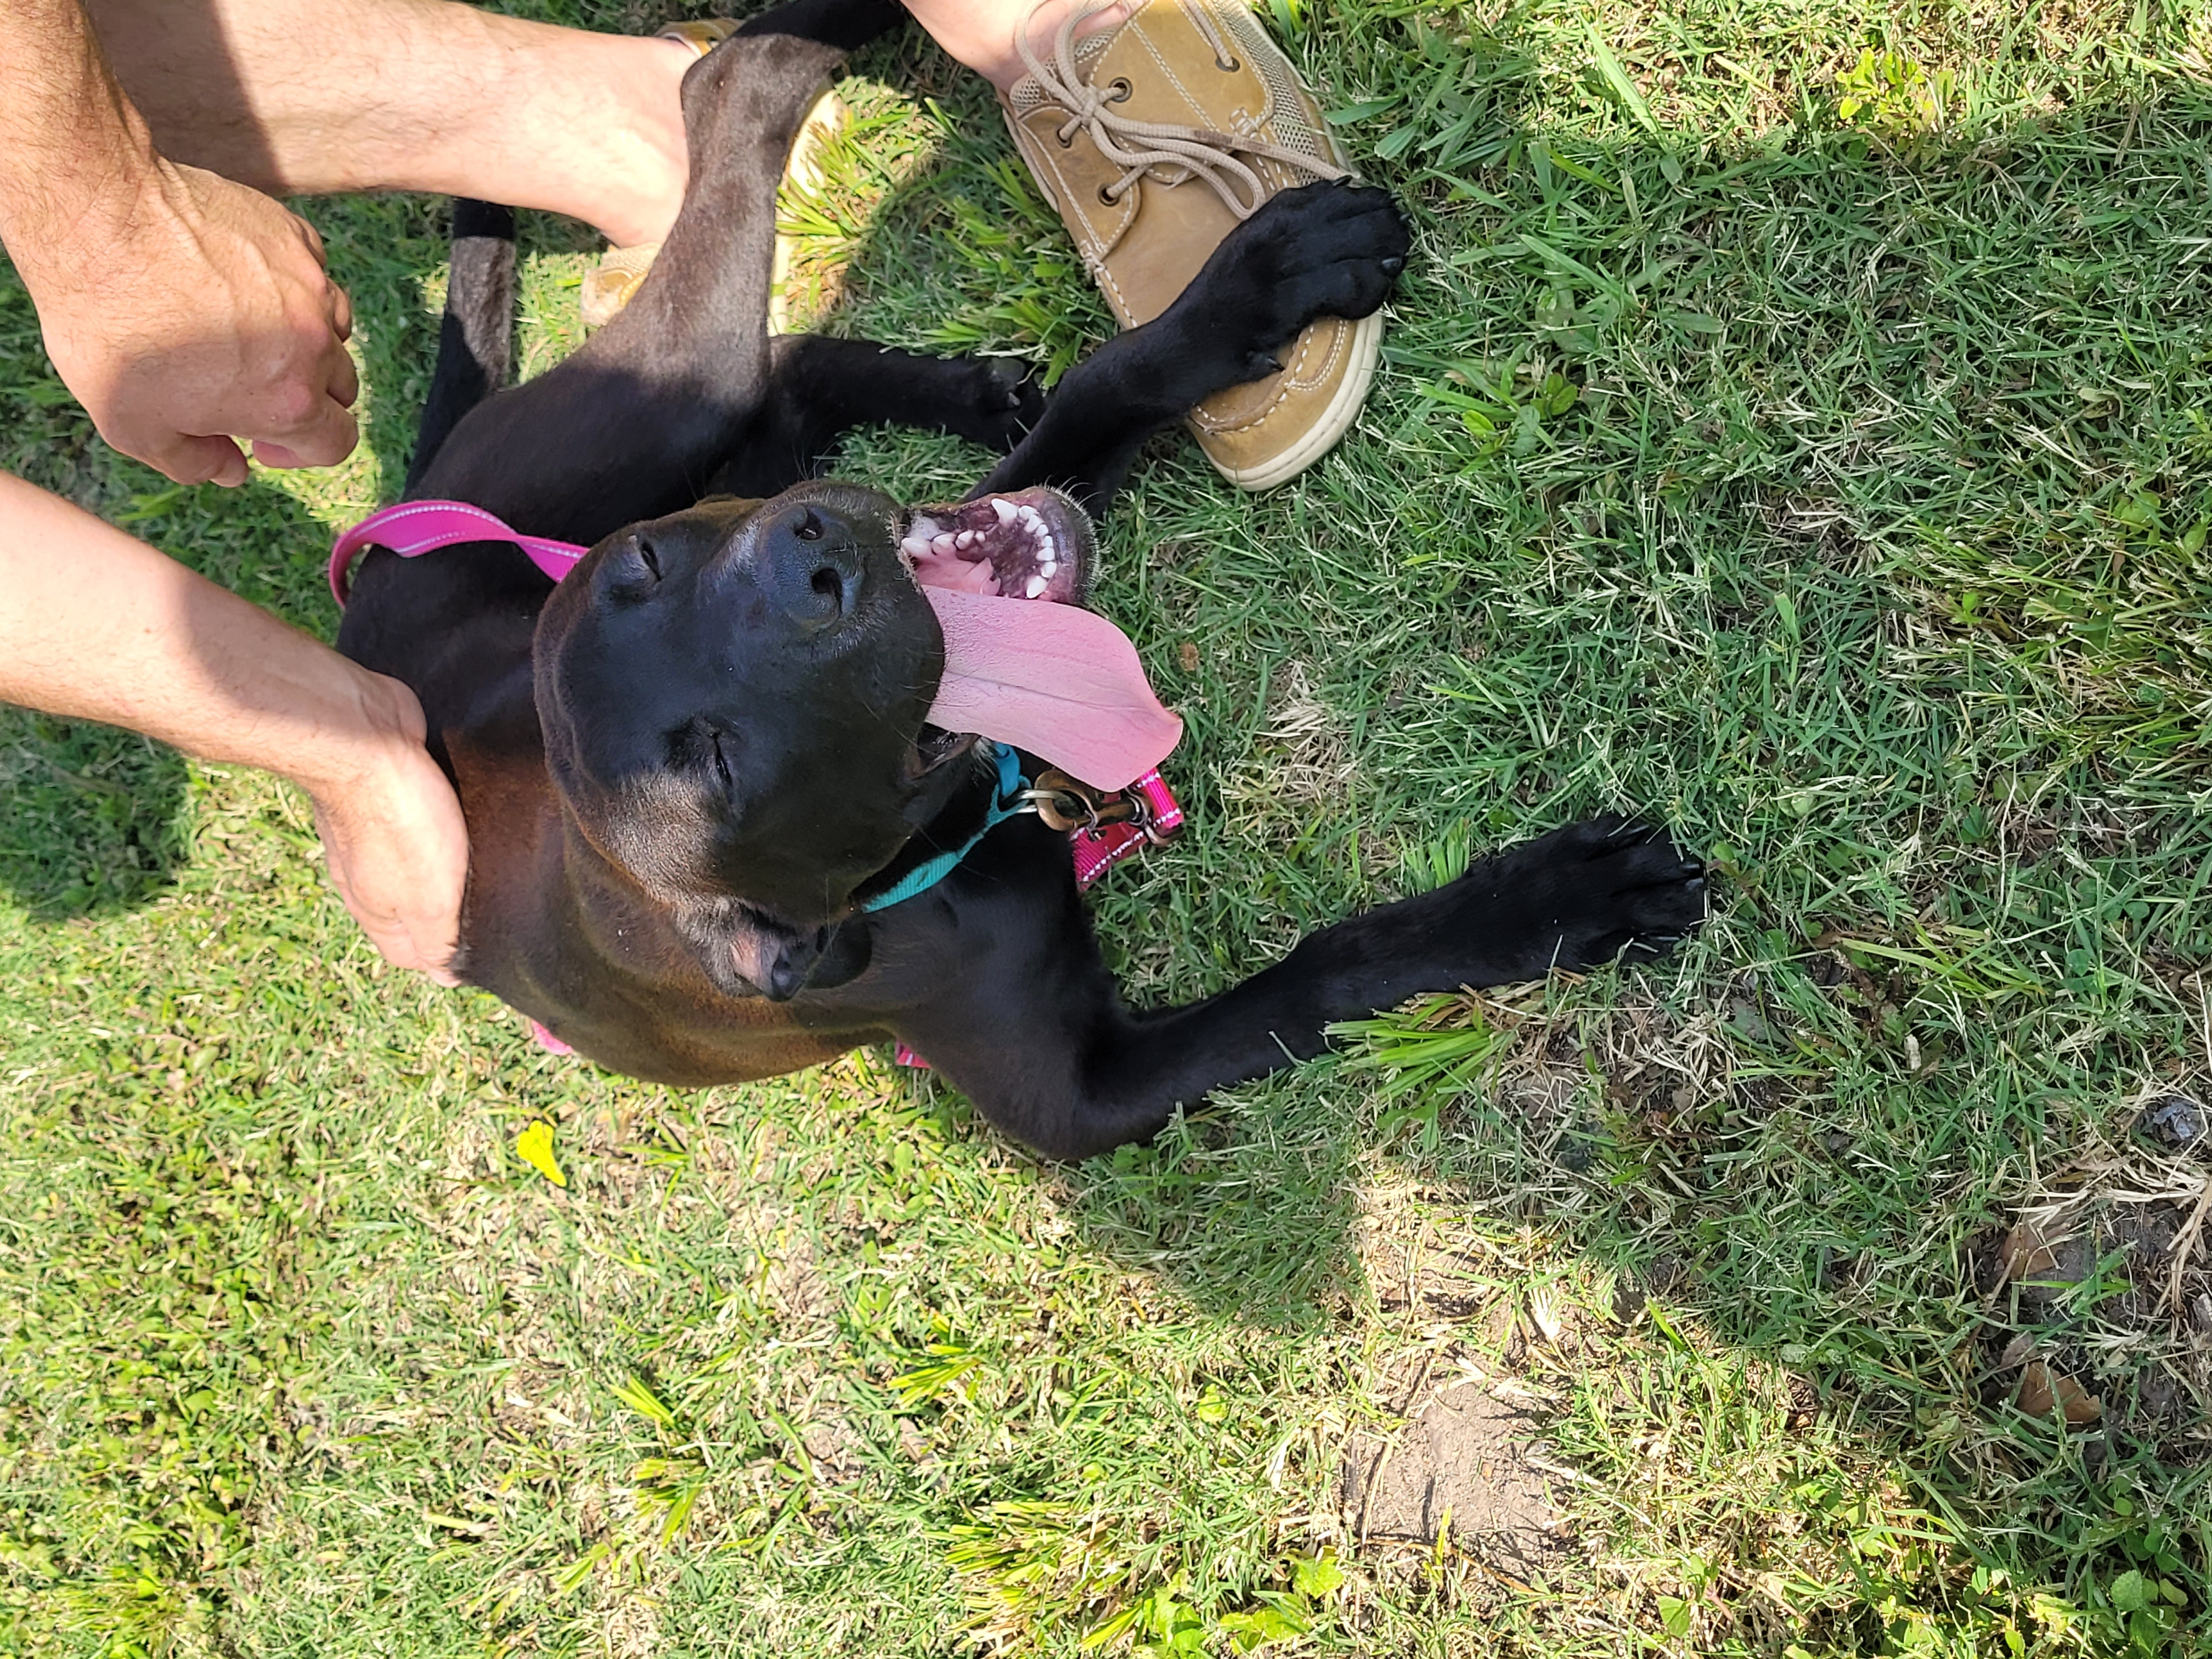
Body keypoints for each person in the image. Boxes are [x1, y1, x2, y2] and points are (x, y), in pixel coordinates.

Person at [0, 0, 1368, 982]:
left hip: (460, 595)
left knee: (707, 390)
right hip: (638, 765)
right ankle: (661, 200)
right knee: (777, 563)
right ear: (781, 952)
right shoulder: (772, 934)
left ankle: (745, 93)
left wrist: (103, 224)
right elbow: (1075, 1101)